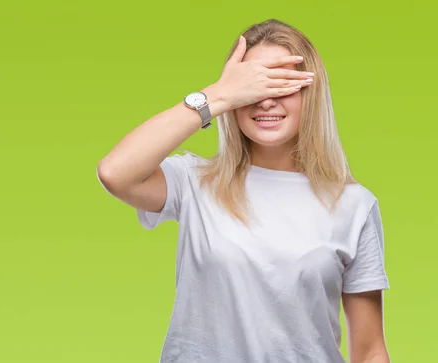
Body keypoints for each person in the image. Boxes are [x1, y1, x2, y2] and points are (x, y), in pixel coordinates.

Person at [96, 19, 390, 363]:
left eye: (282, 85)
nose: (266, 102)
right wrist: (216, 96)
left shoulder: (354, 205)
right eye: (253, 87)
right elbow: (115, 172)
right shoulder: (193, 182)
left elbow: (370, 351)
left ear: (311, 94)